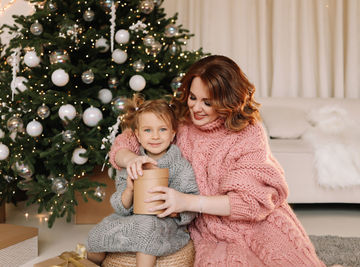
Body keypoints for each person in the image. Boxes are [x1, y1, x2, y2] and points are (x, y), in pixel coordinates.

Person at [108, 55, 326, 266]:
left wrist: (187, 201)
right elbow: (127, 140)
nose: (196, 108)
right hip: (206, 229)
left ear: (227, 101)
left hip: (259, 222)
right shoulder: (179, 121)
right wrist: (132, 159)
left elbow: (249, 202)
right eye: (193, 97)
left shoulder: (248, 133)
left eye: (207, 102)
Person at [86, 95, 199, 267]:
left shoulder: (180, 165)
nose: (155, 136)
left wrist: (175, 211)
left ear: (172, 134)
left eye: (162, 129)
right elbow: (119, 207)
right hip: (131, 218)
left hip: (164, 222)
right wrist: (130, 190)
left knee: (147, 228)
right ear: (137, 135)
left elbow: (191, 201)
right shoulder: (133, 164)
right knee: (99, 232)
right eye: (148, 130)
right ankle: (89, 263)